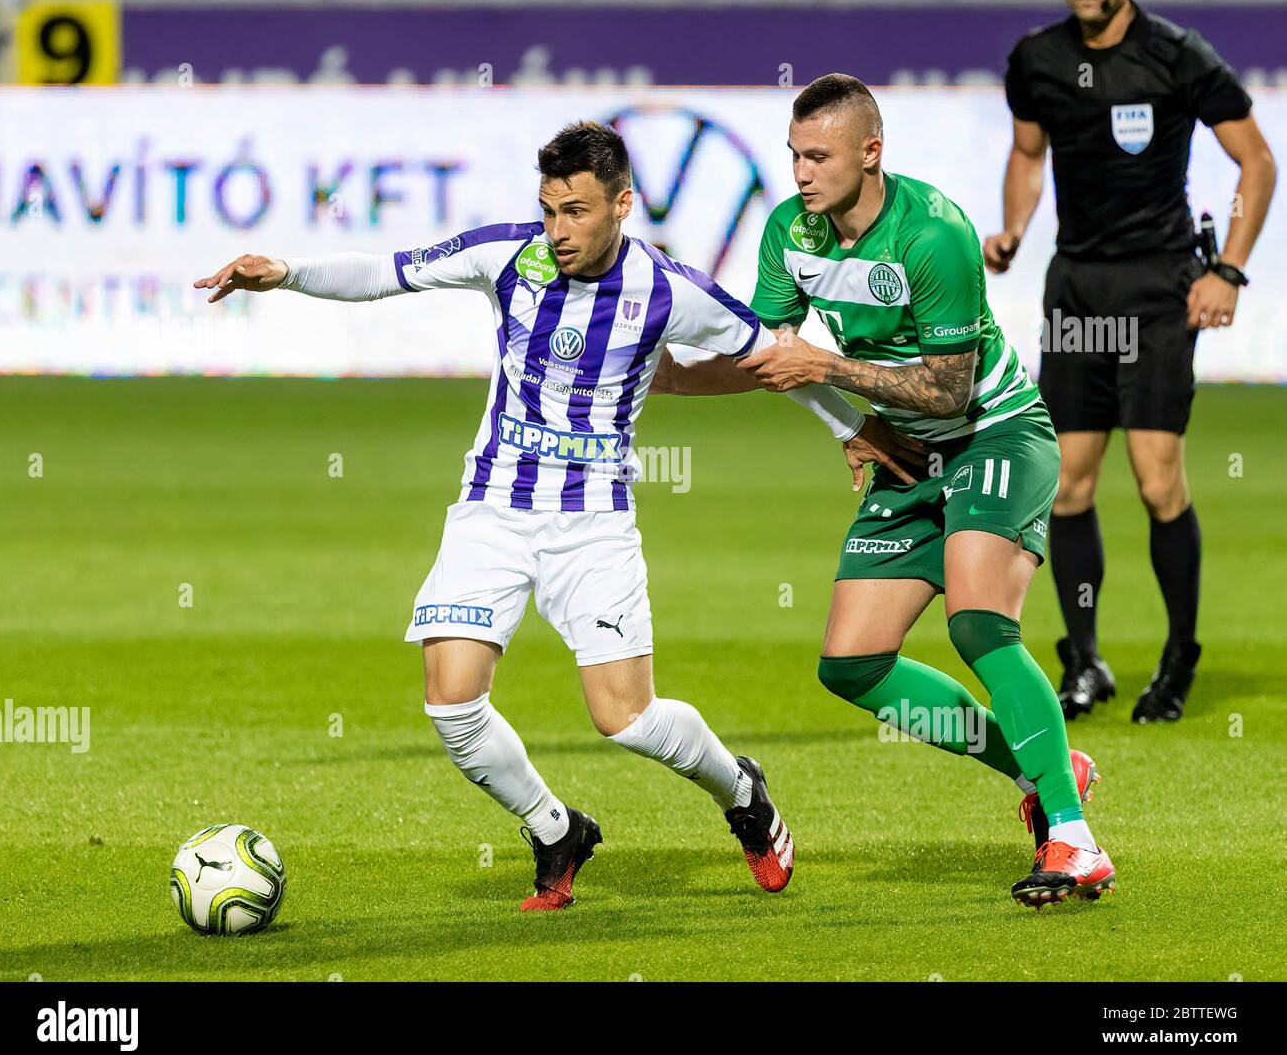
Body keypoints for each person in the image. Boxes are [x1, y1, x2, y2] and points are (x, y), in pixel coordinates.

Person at [194, 121, 875, 911]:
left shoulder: (667, 289)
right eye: (550, 209)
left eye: (577, 212)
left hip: (593, 526)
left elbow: (772, 353)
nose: (558, 231)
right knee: (451, 703)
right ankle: (556, 829)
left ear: (622, 205)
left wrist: (851, 427)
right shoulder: (506, 257)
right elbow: (386, 273)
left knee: (625, 719)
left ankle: (742, 792)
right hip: (492, 510)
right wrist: (284, 271)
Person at [656, 74, 1109, 908]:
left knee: (977, 623)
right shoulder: (791, 232)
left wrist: (827, 368)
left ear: (870, 153)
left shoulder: (933, 234)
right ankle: (1040, 766)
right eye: (793, 155)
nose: (799, 173)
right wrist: (670, 380)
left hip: (994, 436)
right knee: (853, 664)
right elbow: (767, 352)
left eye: (818, 156)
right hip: (908, 458)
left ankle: (1074, 839)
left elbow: (947, 391)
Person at [986, 0, 1276, 723]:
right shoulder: (1036, 59)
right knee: (1069, 485)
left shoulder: (1177, 54)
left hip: (1158, 292)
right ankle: (1084, 659)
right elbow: (1027, 152)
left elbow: (1257, 160)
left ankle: (1178, 659)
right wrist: (1015, 226)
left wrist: (1232, 272)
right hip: (1077, 288)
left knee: (1157, 481)